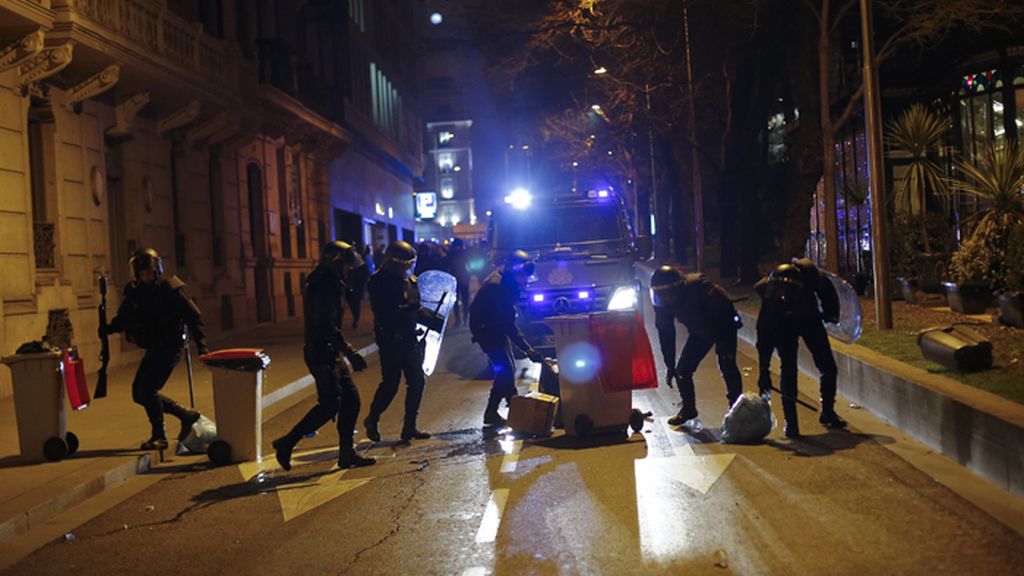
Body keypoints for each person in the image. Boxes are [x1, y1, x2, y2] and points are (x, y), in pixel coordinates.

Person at [272, 241, 374, 470]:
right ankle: (287, 442)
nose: (348, 270)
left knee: (351, 400)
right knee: (330, 404)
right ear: (336, 262)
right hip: (321, 351)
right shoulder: (323, 285)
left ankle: (347, 453)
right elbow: (326, 324)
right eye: (346, 266)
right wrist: (350, 351)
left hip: (330, 350)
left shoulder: (330, 282)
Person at [104, 248, 208, 450]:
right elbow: (124, 317)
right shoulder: (135, 292)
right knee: (139, 393)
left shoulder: (170, 290)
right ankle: (185, 415)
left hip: (170, 348)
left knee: (148, 390)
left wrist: (202, 346)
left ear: (156, 271)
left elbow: (193, 318)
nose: (146, 277)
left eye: (149, 273)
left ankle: (159, 436)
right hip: (153, 348)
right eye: (142, 274)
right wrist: (108, 329)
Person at [754, 259, 847, 437]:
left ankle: (827, 412)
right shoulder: (771, 303)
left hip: (809, 319)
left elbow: (830, 297)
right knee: (788, 369)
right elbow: (764, 340)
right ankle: (791, 423)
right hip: (784, 326)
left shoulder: (812, 279)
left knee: (827, 366)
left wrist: (830, 315)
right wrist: (763, 371)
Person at [364, 241, 443, 442]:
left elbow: (416, 308)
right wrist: (405, 310)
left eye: (410, 264)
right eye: (405, 264)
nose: (408, 268)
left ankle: (409, 426)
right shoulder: (378, 281)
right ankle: (372, 419)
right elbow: (383, 312)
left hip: (410, 338)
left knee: (417, 381)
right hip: (390, 340)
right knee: (391, 385)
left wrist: (434, 319)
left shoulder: (411, 280)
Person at [650, 266, 742, 428]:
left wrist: (723, 345)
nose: (664, 299)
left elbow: (726, 310)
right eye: (659, 294)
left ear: (677, 289)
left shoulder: (700, 289)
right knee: (682, 370)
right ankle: (688, 409)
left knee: (727, 365)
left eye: (666, 294)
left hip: (723, 326)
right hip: (700, 331)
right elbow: (666, 333)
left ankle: (736, 411)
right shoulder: (662, 304)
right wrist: (669, 365)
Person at [469, 250, 545, 425]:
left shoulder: (505, 280)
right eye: (522, 276)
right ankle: (498, 412)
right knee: (505, 370)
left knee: (508, 369)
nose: (524, 280)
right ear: (513, 271)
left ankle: (512, 411)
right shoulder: (498, 287)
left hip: (493, 328)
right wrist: (528, 350)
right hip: (487, 331)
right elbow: (507, 325)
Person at [444, 238, 471, 327]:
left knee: (461, 301)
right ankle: (461, 320)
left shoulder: (453, 254)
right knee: (461, 300)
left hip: (459, 280)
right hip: (459, 280)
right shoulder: (463, 254)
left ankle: (462, 320)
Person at [346, 244, 371, 330]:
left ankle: (356, 318)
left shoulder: (356, 257)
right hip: (354, 278)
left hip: (357, 279)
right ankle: (355, 317)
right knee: (353, 300)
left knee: (355, 300)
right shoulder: (355, 256)